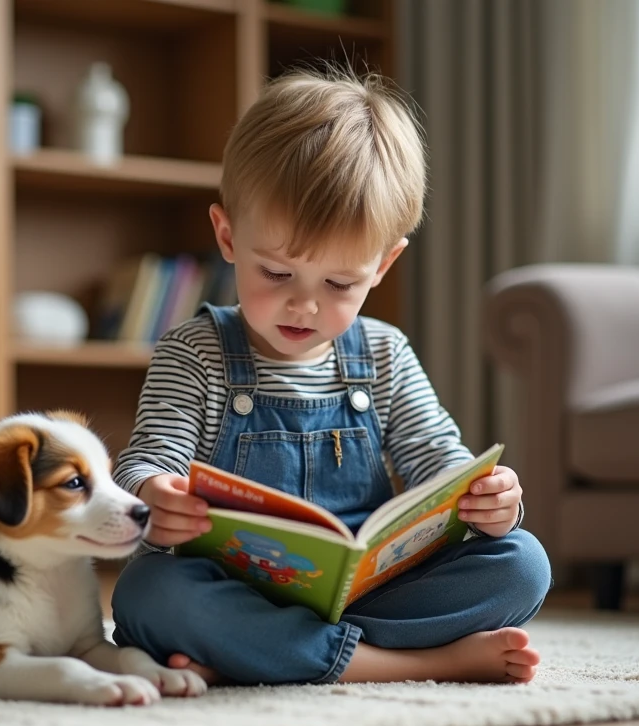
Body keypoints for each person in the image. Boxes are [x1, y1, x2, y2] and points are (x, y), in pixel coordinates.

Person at [110, 66, 551, 686]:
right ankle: (412, 664)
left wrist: (489, 502)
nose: (305, 306)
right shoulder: (194, 350)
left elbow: (442, 468)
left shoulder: (385, 353)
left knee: (523, 563)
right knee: (149, 594)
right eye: (277, 274)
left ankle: (265, 652)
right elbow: (147, 459)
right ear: (228, 235)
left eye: (340, 284)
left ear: (383, 264)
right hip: (237, 584)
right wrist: (156, 497)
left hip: (366, 588)